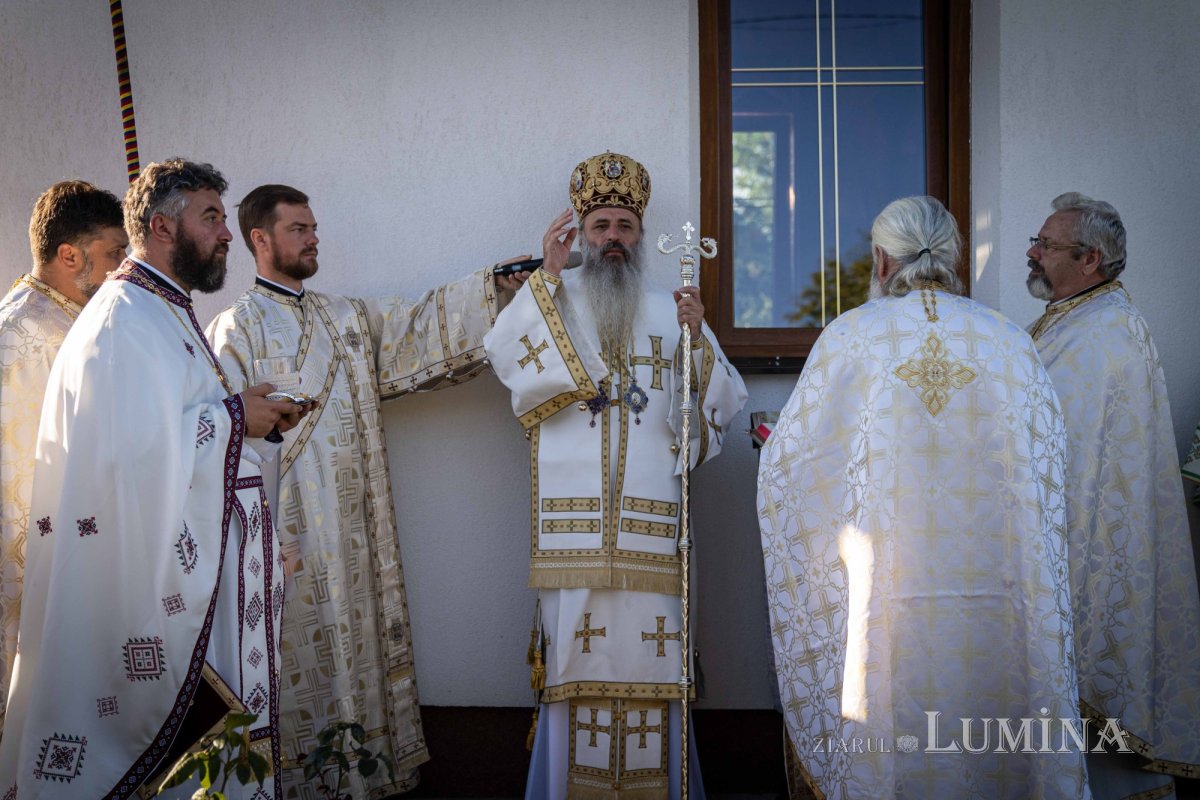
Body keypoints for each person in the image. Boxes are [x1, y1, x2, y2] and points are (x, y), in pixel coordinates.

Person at [758, 196, 1090, 799]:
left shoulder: (852, 337)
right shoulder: (1007, 342)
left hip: (885, 588)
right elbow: (1048, 467)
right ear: (953, 258)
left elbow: (795, 466)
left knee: (882, 686)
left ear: (883, 261)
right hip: (996, 588)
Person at [206, 183, 530, 795]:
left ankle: (367, 779)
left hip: (359, 532)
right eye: (299, 229)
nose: (314, 238)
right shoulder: (233, 331)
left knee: (360, 657)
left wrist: (495, 286)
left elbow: (417, 328)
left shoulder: (347, 319)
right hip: (290, 541)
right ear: (260, 239)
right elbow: (222, 449)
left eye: (313, 227)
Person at [0, 159, 309, 799]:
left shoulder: (159, 308)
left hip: (205, 588)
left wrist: (242, 414)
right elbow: (126, 463)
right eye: (211, 217)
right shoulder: (123, 320)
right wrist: (233, 418)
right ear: (164, 228)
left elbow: (172, 428)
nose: (225, 233)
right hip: (155, 600)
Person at [484, 152, 747, 798]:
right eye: (600, 225)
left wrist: (698, 340)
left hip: (654, 543)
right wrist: (547, 275)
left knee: (657, 674)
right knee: (572, 676)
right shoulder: (552, 300)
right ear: (580, 232)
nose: (612, 238)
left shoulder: (670, 311)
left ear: (640, 234)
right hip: (572, 545)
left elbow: (721, 405)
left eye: (624, 226)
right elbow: (507, 360)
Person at [1026, 193, 1200, 799]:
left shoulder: (1106, 335)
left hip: (1086, 539)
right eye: (1035, 240)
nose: (1033, 253)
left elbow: (1068, 449)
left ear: (1090, 259)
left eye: (1046, 245)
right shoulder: (1079, 319)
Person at [0, 180, 126, 734]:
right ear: (69, 255)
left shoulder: (58, 318)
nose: (123, 269)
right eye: (114, 253)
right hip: (35, 566)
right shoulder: (32, 336)